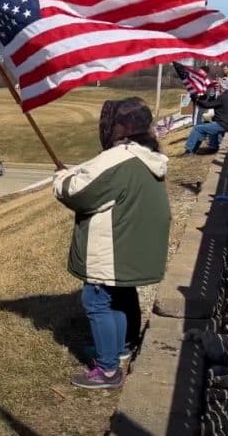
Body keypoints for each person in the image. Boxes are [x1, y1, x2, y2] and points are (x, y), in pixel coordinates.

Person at [53, 98, 170, 389]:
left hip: (111, 244)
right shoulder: (147, 154)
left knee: (96, 300)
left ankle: (107, 371)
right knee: (120, 296)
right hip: (132, 242)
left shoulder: (118, 158)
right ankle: (119, 349)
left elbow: (78, 192)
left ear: (118, 127)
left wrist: (61, 177)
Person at [183, 80, 228, 155]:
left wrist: (196, 99)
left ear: (223, 87)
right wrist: (212, 95)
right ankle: (212, 147)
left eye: (219, 86)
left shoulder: (224, 97)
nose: (218, 88)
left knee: (198, 128)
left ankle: (189, 150)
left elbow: (207, 105)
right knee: (210, 125)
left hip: (225, 124)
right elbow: (214, 103)